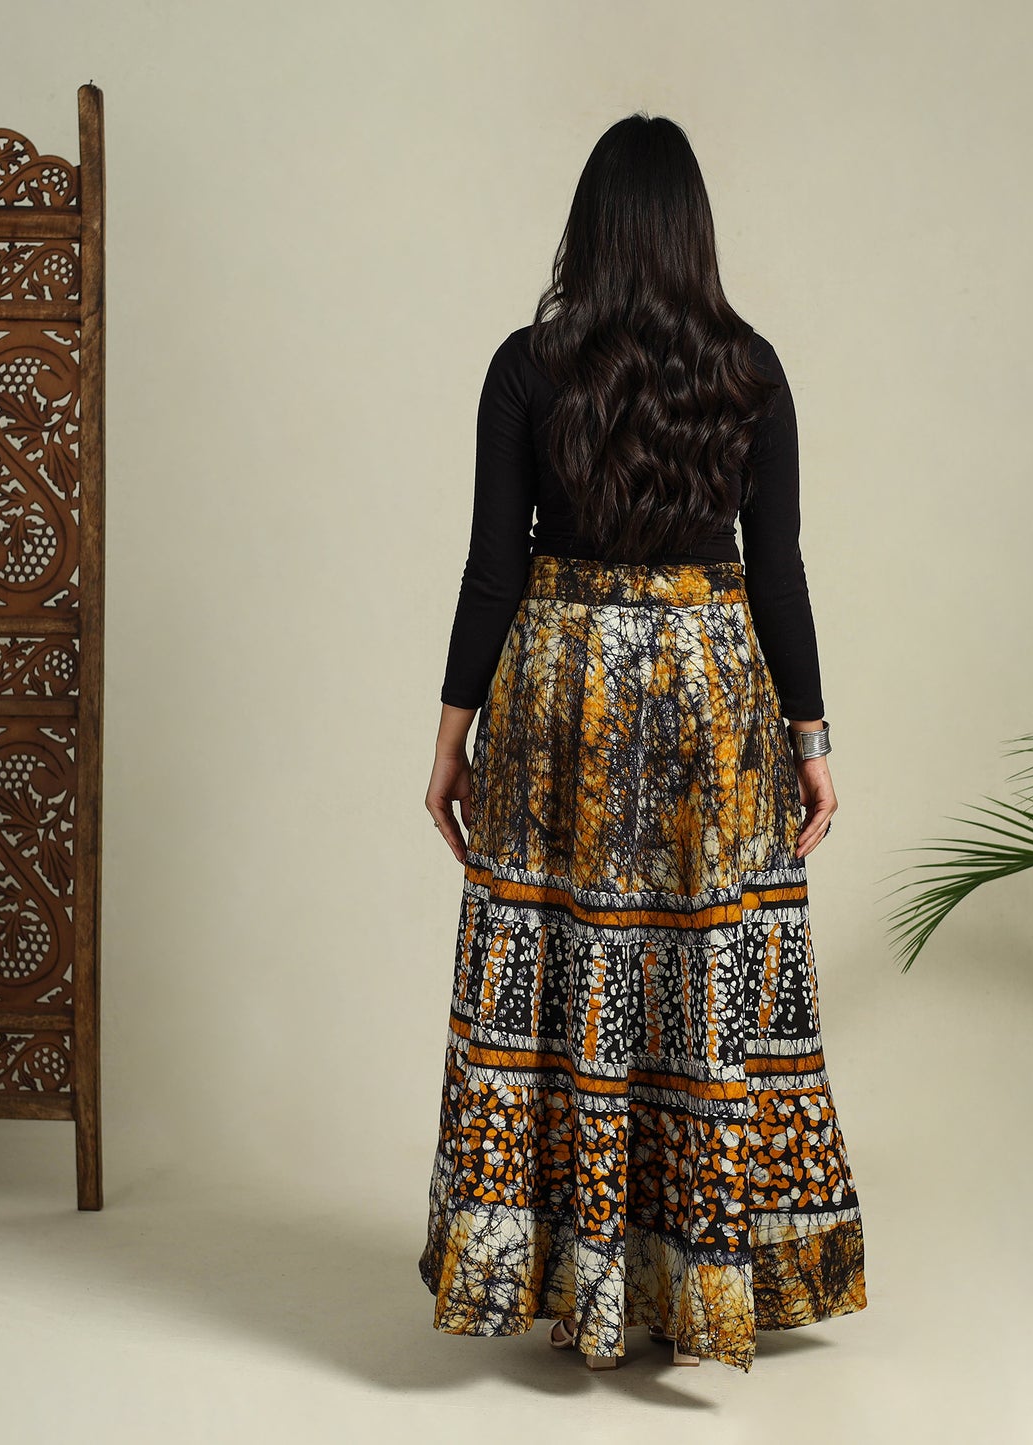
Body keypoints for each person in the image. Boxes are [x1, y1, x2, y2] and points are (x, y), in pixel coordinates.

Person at [418, 112, 867, 1373]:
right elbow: (775, 571)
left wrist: (449, 740)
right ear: (691, 232)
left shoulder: (526, 365)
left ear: (589, 227)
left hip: (559, 695)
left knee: (563, 969)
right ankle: (695, 1278)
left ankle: (563, 1271)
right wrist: (811, 737)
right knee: (696, 975)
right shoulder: (749, 368)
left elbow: (492, 566)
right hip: (708, 695)